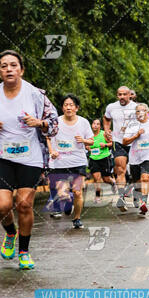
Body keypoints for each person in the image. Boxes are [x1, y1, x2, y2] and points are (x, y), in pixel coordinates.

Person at [0, 49, 58, 270]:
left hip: (30, 157)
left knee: (24, 204)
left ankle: (24, 251)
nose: (9, 69)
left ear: (21, 70)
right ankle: (11, 233)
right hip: (2, 156)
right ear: (0, 72)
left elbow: (54, 123)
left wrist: (39, 123)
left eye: (13, 65)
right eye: (4, 66)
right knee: (3, 205)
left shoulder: (35, 94)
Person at [47, 94, 93, 229]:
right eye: (66, 105)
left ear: (76, 108)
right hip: (59, 162)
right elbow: (48, 138)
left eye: (71, 105)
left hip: (78, 161)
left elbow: (91, 140)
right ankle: (67, 203)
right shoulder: (56, 122)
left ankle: (77, 219)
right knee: (62, 193)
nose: (68, 107)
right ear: (62, 108)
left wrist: (84, 141)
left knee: (78, 191)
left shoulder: (83, 122)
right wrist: (52, 151)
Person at [123, 103, 149, 215]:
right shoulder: (132, 125)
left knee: (145, 178)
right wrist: (136, 135)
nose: (140, 113)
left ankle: (143, 202)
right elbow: (124, 141)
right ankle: (137, 195)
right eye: (138, 111)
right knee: (137, 182)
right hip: (135, 157)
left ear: (147, 112)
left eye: (142, 110)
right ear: (135, 114)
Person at [103, 86, 138, 212]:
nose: (122, 97)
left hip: (134, 143)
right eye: (119, 94)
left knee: (136, 173)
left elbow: (145, 122)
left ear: (130, 95)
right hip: (118, 142)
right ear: (117, 95)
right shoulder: (111, 107)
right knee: (120, 169)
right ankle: (121, 197)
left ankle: (136, 193)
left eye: (124, 94)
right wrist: (107, 131)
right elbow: (106, 118)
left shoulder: (136, 108)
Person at [88, 119, 117, 202]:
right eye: (94, 123)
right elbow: (86, 145)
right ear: (91, 125)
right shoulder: (89, 135)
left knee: (106, 179)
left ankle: (112, 183)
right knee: (97, 179)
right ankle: (97, 196)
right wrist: (87, 147)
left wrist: (105, 145)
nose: (95, 125)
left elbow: (112, 144)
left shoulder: (104, 133)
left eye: (97, 124)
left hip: (104, 158)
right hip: (93, 159)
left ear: (100, 126)